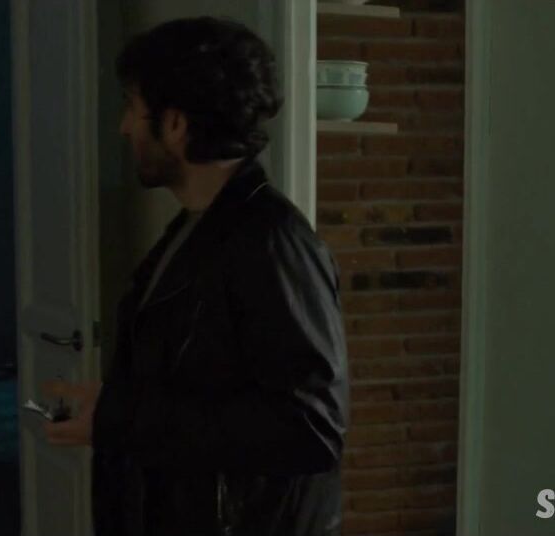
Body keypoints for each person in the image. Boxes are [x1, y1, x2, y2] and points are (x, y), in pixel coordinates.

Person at [42, 16, 349, 536]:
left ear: (176, 124)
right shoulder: (197, 226)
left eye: (132, 108)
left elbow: (311, 427)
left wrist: (124, 418)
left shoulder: (271, 242)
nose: (123, 127)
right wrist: (112, 409)